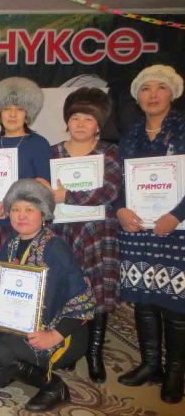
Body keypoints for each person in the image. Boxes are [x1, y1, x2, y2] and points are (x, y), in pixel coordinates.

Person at [0, 179, 95, 412]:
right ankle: (24, 363)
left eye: (29, 209)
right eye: (15, 209)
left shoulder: (55, 247)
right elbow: (5, 288)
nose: (21, 215)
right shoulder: (10, 244)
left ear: (44, 214)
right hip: (21, 326)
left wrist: (53, 335)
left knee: (1, 352)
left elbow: (84, 300)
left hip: (61, 331)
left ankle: (54, 387)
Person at [116, 64, 185, 404]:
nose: (153, 94)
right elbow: (118, 182)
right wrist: (120, 209)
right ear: (137, 97)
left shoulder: (183, 129)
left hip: (177, 232)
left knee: (175, 304)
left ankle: (175, 372)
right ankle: (149, 364)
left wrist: (177, 215)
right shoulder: (130, 136)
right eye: (146, 89)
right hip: (137, 229)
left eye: (160, 87)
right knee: (143, 300)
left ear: (173, 93)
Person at [46, 87, 122, 384]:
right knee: (68, 290)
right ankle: (73, 346)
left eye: (88, 119)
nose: (80, 123)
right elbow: (45, 193)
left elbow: (110, 191)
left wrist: (68, 196)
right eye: (75, 117)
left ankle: (94, 352)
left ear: (98, 124)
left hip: (97, 232)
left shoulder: (109, 152)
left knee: (97, 292)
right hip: (63, 231)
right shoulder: (54, 152)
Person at [0, 77, 52, 254]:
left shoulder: (38, 143)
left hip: (26, 227)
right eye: (7, 109)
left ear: (28, 113)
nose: (12, 114)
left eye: (19, 109)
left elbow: (45, 188)